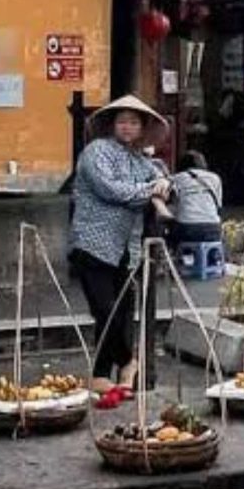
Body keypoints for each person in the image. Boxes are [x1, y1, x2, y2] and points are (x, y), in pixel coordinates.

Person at [67, 95, 171, 404]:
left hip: (126, 248)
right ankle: (129, 361)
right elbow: (110, 189)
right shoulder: (96, 152)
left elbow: (163, 178)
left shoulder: (142, 161)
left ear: (141, 129)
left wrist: (164, 185)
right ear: (113, 125)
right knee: (105, 309)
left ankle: (100, 375)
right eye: (122, 121)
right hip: (93, 243)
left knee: (117, 313)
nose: (128, 127)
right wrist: (148, 190)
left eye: (134, 122)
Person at [170, 150, 222, 249]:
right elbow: (218, 206)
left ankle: (178, 259)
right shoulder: (215, 178)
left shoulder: (177, 178)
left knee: (171, 231)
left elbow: (175, 203)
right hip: (213, 228)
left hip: (187, 228)